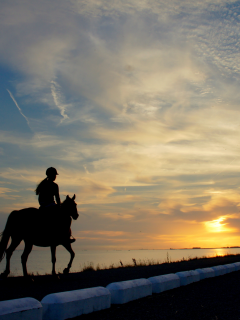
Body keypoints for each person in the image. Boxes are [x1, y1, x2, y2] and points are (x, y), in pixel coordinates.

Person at [35, 167, 75, 243]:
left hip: (43, 205)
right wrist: (59, 206)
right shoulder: (54, 185)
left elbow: (40, 198)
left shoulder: (43, 184)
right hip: (50, 205)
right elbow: (57, 198)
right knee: (67, 218)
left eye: (55, 175)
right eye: (54, 175)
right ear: (50, 175)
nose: (55, 177)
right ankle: (65, 237)